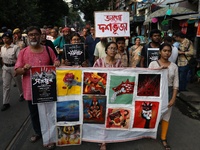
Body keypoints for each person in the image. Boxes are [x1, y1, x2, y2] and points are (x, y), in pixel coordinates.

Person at [14, 26, 60, 149]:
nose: (33, 37)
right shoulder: (23, 52)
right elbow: (17, 70)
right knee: (34, 113)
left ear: (40, 36)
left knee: (49, 112)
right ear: (28, 37)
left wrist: (57, 63)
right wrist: (24, 69)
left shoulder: (48, 50)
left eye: (35, 34)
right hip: (31, 90)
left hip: (47, 89)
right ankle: (38, 132)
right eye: (31, 35)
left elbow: (56, 62)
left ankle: (51, 135)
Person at [149, 43, 179, 150]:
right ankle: (149, 132)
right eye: (164, 50)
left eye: (169, 51)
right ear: (160, 52)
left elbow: (176, 84)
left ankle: (163, 138)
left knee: (167, 115)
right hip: (155, 92)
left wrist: (173, 98)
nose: (167, 53)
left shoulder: (174, 66)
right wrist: (158, 71)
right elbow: (148, 79)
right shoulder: (153, 64)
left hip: (169, 92)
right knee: (153, 113)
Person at [93, 42, 122, 150]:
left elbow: (121, 78)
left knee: (110, 114)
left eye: (115, 48)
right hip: (100, 93)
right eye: (111, 48)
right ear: (106, 50)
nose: (113, 50)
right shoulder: (99, 62)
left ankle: (106, 138)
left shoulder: (119, 63)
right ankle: (102, 140)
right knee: (101, 114)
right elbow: (93, 76)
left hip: (112, 94)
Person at [0, 32, 24, 111]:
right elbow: (1, 58)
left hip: (14, 67)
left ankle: (22, 94)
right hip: (6, 68)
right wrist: (3, 65)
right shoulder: (2, 48)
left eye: (6, 38)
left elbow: (19, 59)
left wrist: (18, 69)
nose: (4, 40)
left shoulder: (15, 47)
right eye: (3, 38)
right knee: (5, 86)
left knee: (18, 83)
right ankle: (6, 103)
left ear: (11, 39)